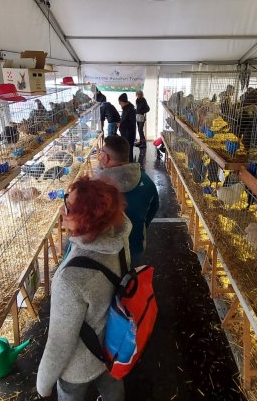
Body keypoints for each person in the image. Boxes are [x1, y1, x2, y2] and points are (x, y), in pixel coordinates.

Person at [37, 177, 131, 401]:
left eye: (68, 207)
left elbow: (60, 342)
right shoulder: (118, 238)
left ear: (87, 221)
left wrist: (43, 385)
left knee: (70, 393)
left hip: (80, 365)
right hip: (113, 343)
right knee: (112, 382)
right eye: (65, 201)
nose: (61, 209)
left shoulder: (70, 279)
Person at [96, 135, 159, 267]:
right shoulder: (146, 181)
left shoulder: (97, 187)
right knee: (133, 276)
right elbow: (154, 206)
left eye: (101, 152)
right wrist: (142, 224)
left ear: (106, 157)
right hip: (136, 245)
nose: (99, 155)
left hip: (107, 252)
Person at [117, 93, 136, 162]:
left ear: (123, 102)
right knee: (127, 150)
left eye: (120, 103)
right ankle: (127, 163)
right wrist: (121, 123)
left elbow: (131, 123)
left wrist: (121, 125)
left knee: (129, 150)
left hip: (128, 134)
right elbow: (125, 120)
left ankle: (129, 164)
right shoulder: (126, 108)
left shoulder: (130, 109)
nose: (120, 105)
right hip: (126, 133)